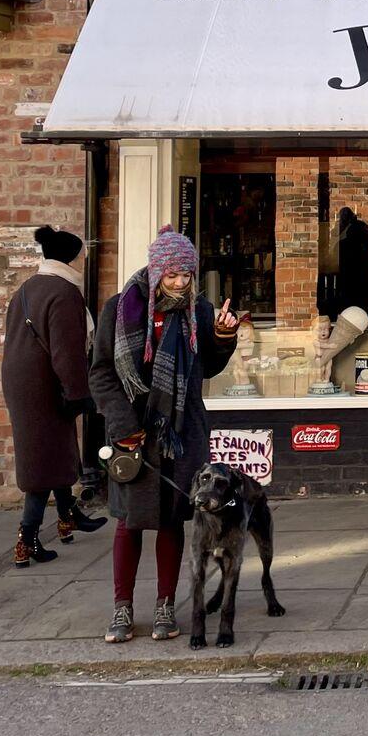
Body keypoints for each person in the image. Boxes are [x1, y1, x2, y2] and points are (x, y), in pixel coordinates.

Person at [89, 225, 241, 643]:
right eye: (172, 275)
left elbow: (207, 368)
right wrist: (124, 425)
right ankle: (122, 609)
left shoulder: (200, 312)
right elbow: (101, 375)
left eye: (186, 275)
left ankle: (165, 606)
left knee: (173, 520)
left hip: (182, 432)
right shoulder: (119, 310)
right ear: (156, 272)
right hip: (134, 434)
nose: (179, 283)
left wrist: (223, 338)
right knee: (128, 524)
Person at [0, 225, 107, 568]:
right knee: (42, 464)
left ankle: (67, 517)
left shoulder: (29, 288)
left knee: (55, 451)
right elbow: (67, 352)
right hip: (45, 383)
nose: (84, 261)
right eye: (82, 256)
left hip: (24, 382)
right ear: (71, 259)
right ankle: (27, 540)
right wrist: (79, 393)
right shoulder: (63, 292)